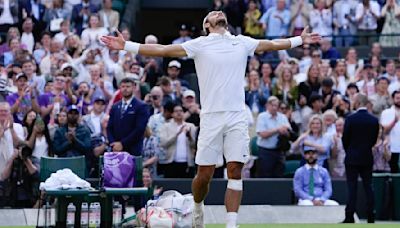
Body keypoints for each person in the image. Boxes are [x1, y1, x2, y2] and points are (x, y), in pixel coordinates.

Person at [101, 10, 320, 227]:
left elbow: (272, 45)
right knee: (204, 175)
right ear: (207, 24)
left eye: (219, 12)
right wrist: (127, 46)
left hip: (237, 116)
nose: (217, 13)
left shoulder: (242, 42)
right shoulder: (199, 44)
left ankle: (231, 224)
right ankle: (197, 206)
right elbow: (164, 49)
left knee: (235, 170)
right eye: (212, 13)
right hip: (210, 118)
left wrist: (299, 39)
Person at [342, 93, 380, 223]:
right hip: (366, 157)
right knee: (368, 186)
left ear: (357, 103)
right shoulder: (374, 120)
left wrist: (350, 151)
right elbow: (373, 140)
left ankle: (349, 216)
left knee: (352, 187)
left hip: (352, 157)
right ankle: (371, 216)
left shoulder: (350, 119)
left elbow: (345, 139)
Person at [107, 78, 150, 156]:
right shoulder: (115, 106)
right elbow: (109, 127)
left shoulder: (141, 106)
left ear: (133, 87)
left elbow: (139, 129)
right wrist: (113, 143)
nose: (125, 89)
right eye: (123, 86)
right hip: (116, 150)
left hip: (133, 149)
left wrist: (122, 143)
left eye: (128, 86)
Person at [255, 96, 291, 177]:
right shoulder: (262, 116)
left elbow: (289, 133)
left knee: (279, 176)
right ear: (267, 105)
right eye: (272, 105)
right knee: (264, 177)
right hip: (265, 152)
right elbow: (262, 134)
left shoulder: (282, 117)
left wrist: (285, 132)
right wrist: (277, 129)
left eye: (276, 106)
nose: (274, 108)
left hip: (279, 151)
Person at [159, 104, 197, 178]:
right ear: (172, 114)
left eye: (181, 111)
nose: (179, 113)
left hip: (187, 163)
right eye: (176, 111)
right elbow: (163, 143)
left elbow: (195, 145)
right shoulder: (166, 126)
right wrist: (177, 134)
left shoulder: (191, 126)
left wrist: (189, 137)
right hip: (171, 163)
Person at [380, 90, 400, 173]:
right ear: (393, 99)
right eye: (398, 98)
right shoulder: (386, 112)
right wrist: (394, 122)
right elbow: (384, 131)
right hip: (392, 149)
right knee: (394, 175)